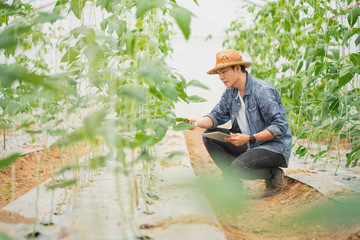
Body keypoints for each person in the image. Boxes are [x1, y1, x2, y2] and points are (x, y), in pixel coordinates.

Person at [188, 49, 292, 198]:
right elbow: (216, 115)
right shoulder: (231, 93)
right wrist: (197, 122)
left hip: (273, 147)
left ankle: (273, 174)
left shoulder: (261, 91)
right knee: (209, 136)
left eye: (224, 72)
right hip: (250, 143)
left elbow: (279, 127)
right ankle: (233, 187)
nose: (221, 77)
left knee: (239, 167)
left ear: (237, 68)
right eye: (219, 74)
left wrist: (250, 138)